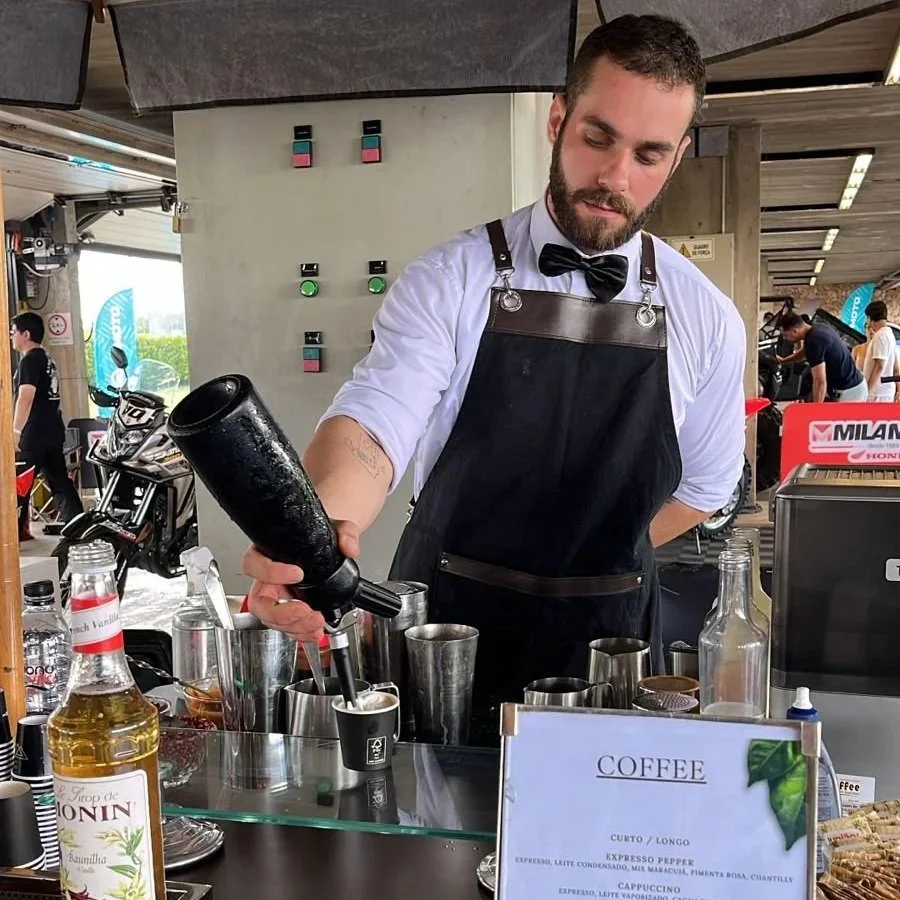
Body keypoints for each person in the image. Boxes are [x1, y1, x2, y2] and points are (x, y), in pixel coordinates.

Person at [243, 14, 746, 721]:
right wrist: (321, 527)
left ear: (679, 156)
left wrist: (593, 562)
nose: (613, 176)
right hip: (445, 637)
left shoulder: (708, 318)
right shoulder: (450, 279)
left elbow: (703, 488)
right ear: (557, 118)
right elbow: (376, 423)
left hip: (611, 652)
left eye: (649, 154)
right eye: (597, 137)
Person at [10, 312, 84, 537]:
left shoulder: (30, 360)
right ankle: (79, 525)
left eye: (13, 332)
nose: (11, 337)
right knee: (60, 480)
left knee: (20, 482)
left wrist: (15, 431)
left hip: (33, 434)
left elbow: (26, 397)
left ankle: (15, 531)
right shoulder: (47, 358)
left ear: (26, 334)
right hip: (53, 430)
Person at [777, 312, 867, 402]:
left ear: (795, 331)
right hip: (854, 386)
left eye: (785, 335)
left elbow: (820, 381)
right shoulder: (818, 328)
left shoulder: (814, 341)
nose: (785, 338)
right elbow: (804, 353)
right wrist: (783, 361)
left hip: (850, 392)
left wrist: (816, 411)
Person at [861, 300, 900, 402]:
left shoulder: (880, 336)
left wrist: (868, 392)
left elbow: (879, 366)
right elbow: (896, 366)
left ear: (870, 318)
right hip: (884, 392)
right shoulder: (889, 334)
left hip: (878, 394)